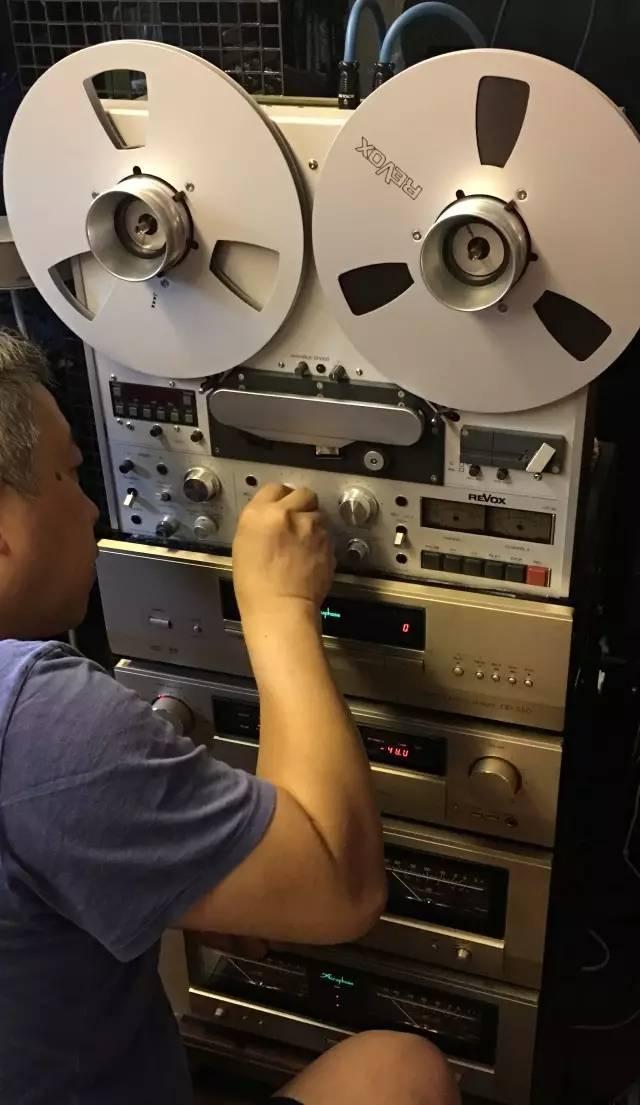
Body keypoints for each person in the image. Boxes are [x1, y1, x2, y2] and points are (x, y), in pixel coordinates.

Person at [0, 329, 459, 1105]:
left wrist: (167, 868)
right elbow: (341, 888)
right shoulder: (35, 716)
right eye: (71, 472)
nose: (92, 507)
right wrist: (278, 608)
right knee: (401, 1071)